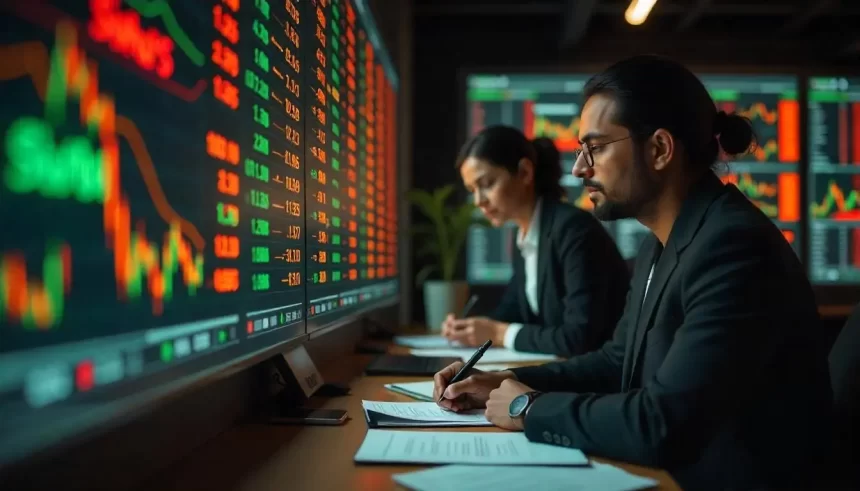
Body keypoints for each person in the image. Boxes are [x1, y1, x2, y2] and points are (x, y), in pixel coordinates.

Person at [432, 55, 834, 490]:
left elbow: (664, 425)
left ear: (659, 149)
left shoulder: (733, 248)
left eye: (596, 147)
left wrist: (527, 408)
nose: (579, 168)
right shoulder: (662, 242)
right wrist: (508, 381)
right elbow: (618, 362)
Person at [442, 126, 630, 357]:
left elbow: (579, 338)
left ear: (524, 172)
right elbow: (512, 311)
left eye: (488, 184)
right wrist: (470, 329)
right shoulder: (528, 233)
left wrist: (499, 333)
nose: (479, 201)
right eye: (473, 190)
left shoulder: (572, 230)